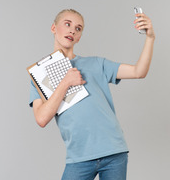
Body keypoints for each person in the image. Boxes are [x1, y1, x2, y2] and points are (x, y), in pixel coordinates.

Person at [29, 9, 155, 180]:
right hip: (79, 157)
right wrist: (65, 82)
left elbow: (138, 72)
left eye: (78, 28)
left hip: (113, 151)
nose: (72, 30)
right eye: (67, 24)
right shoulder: (39, 75)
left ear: (79, 37)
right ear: (53, 28)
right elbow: (42, 118)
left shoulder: (96, 63)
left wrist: (150, 38)